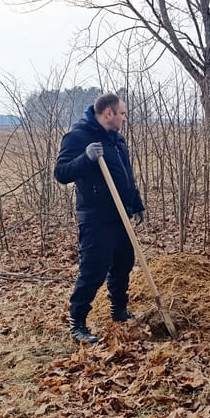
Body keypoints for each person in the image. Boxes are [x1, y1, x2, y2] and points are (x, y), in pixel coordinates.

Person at [54, 93, 145, 345]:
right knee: (93, 270)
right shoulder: (78, 137)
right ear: (108, 113)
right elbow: (61, 173)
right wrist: (86, 158)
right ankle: (77, 322)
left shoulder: (117, 140)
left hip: (121, 214)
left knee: (123, 263)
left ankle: (119, 310)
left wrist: (136, 203)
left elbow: (126, 175)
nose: (125, 118)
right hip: (96, 217)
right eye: (122, 113)